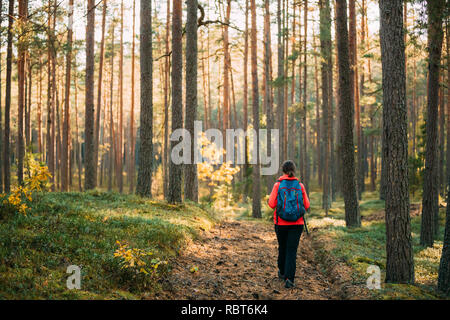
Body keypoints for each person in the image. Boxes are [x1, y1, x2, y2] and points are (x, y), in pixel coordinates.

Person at [268, 160, 310, 288]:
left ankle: (282, 271)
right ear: (294, 170)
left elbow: (271, 204)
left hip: (281, 223)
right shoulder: (300, 185)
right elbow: (307, 205)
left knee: (283, 247)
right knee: (292, 250)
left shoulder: (278, 185)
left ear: (283, 171)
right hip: (297, 223)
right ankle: (289, 279)